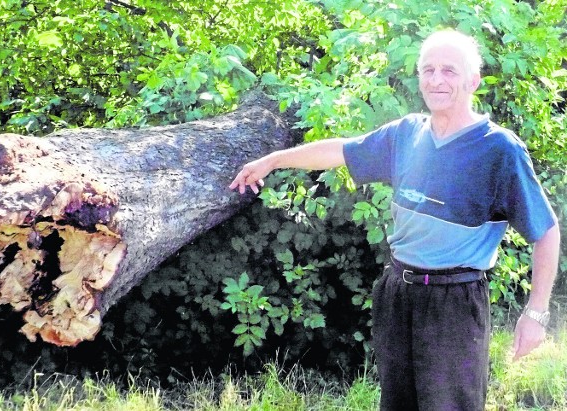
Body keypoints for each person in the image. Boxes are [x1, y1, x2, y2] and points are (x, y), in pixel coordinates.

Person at [228, 29, 561, 410]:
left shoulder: (498, 150)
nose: (436, 80)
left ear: (474, 81)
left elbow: (546, 233)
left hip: (454, 302)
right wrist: (273, 160)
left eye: (450, 71)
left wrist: (536, 313)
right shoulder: (407, 134)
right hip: (397, 293)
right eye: (428, 70)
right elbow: (341, 150)